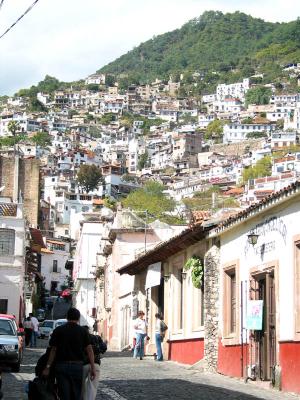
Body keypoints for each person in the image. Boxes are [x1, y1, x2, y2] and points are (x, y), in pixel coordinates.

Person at [42, 307, 96, 400]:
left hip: (61, 365)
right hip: (77, 366)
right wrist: (93, 367)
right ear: (78, 318)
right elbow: (90, 350)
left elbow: (53, 350)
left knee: (64, 394)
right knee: (76, 394)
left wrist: (47, 367)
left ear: (67, 317)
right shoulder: (83, 331)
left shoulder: (58, 330)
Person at [82, 326, 107, 400]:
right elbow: (104, 347)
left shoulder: (80, 338)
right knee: (92, 387)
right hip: (95, 364)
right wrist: (97, 351)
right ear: (89, 331)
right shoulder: (96, 337)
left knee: (81, 385)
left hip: (83, 365)